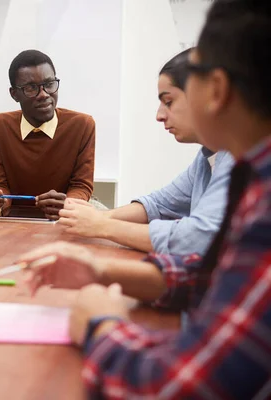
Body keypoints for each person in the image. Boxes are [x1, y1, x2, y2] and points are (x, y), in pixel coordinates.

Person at [17, 0, 271, 397]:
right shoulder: (243, 170)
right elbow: (215, 269)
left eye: (169, 98)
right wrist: (104, 270)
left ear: (216, 90)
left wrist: (103, 324)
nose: (158, 114)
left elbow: (180, 386)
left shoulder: (261, 193)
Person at [58, 49, 234, 255]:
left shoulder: (237, 158)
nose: (159, 115)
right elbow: (160, 204)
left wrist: (102, 225)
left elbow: (197, 237)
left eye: (169, 102)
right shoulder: (207, 158)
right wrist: (96, 217)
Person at [0, 50, 95, 221]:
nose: (44, 94)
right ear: (14, 94)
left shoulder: (82, 125)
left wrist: (68, 204)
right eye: (31, 88)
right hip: (14, 219)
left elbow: (81, 185)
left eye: (49, 84)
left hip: (62, 219)